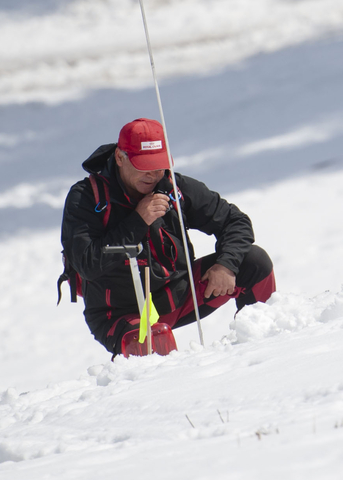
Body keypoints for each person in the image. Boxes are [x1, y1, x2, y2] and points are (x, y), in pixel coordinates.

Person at [59, 118, 276, 355]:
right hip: (118, 312)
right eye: (144, 165)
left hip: (177, 294)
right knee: (153, 342)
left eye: (159, 164)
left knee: (254, 263)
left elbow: (236, 221)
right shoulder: (85, 197)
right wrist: (139, 221)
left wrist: (226, 266)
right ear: (120, 158)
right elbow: (87, 264)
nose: (153, 174)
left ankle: (262, 353)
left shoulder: (174, 187)